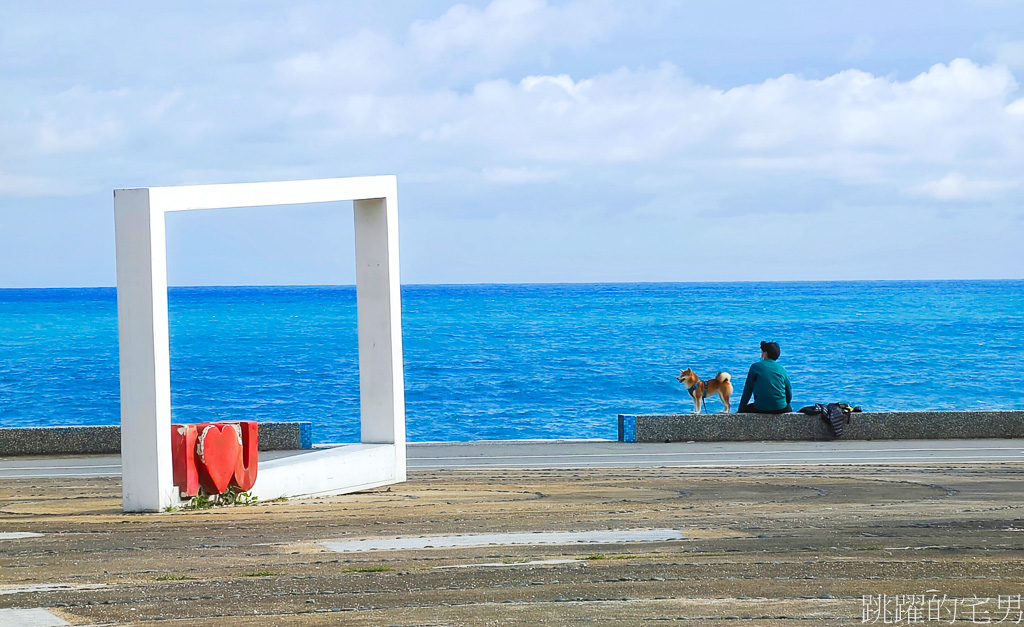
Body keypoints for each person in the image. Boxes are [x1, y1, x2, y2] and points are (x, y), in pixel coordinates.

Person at [736, 341, 793, 414]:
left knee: (748, 408)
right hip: (780, 407)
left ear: (765, 353)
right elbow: (788, 391)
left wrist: (740, 409)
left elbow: (748, 390)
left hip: (760, 407)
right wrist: (784, 403)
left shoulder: (755, 367)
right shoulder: (782, 369)